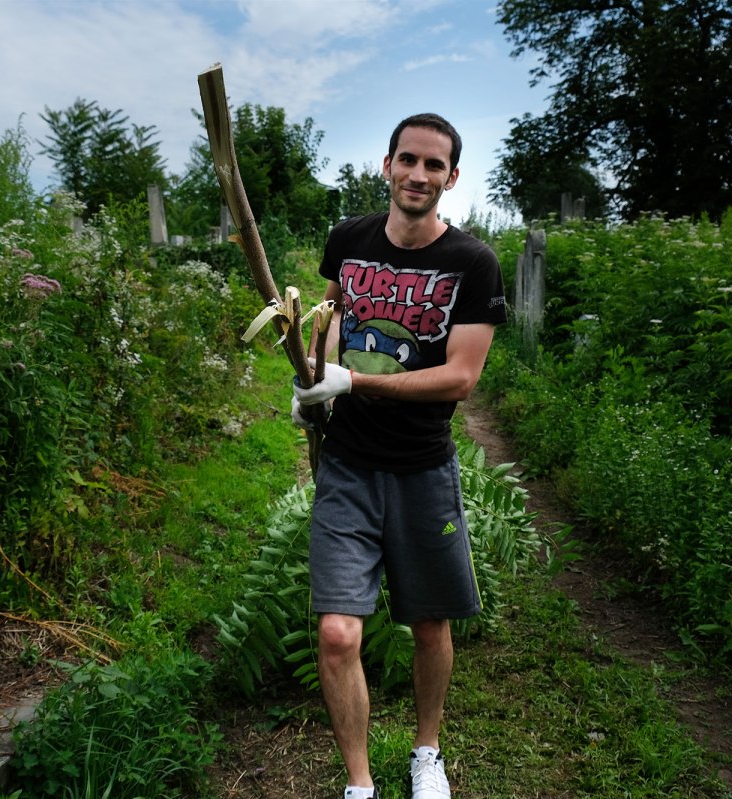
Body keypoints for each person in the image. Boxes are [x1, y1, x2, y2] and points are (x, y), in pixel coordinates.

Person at [292, 113, 508, 799]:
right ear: (385, 166)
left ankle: (427, 750)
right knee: (336, 631)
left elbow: (461, 376)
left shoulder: (471, 263)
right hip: (347, 465)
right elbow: (330, 314)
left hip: (422, 467)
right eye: (407, 160)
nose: (419, 175)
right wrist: (313, 379)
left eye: (433, 165)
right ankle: (360, 784)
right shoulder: (348, 241)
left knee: (429, 622)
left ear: (451, 178)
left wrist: (354, 379)